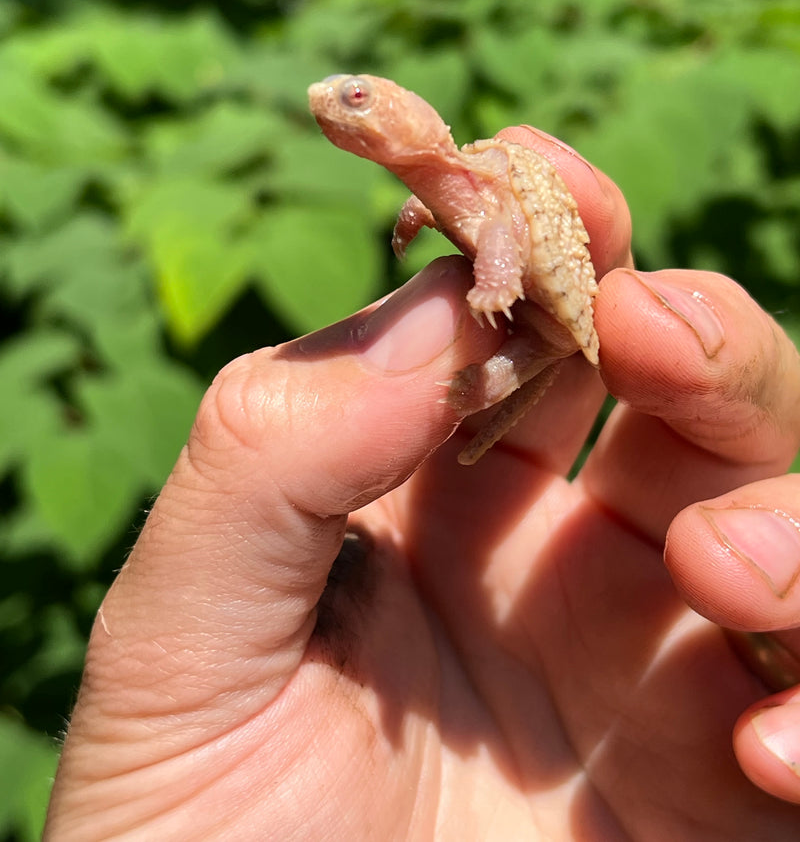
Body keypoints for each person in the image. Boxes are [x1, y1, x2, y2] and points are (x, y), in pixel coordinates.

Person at [44, 127, 800, 839]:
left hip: (558, 313)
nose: (335, 108)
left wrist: (495, 283)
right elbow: (453, 208)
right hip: (538, 331)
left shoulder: (472, 177)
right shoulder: (444, 184)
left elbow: (496, 226)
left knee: (495, 385)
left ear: (415, 119)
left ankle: (483, 416)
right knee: (479, 391)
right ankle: (481, 418)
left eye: (362, 99)